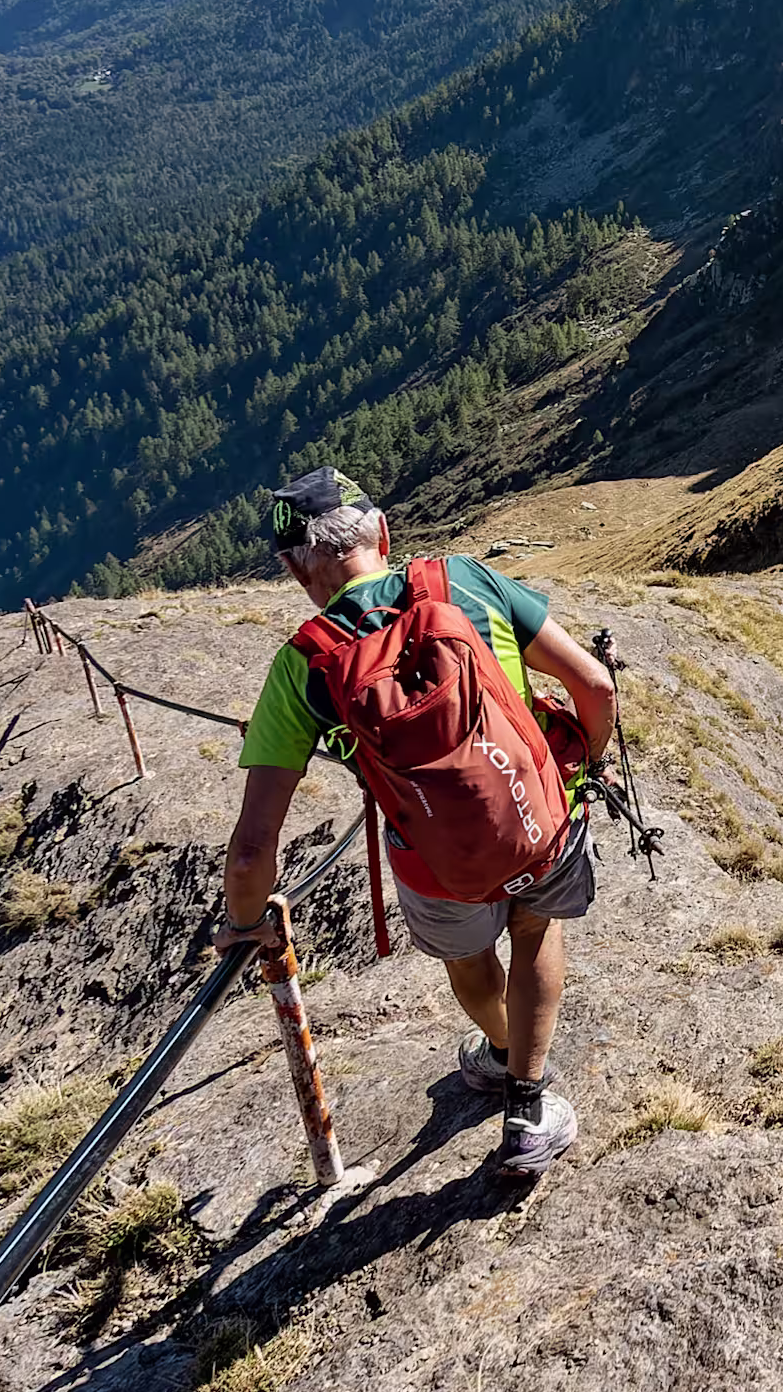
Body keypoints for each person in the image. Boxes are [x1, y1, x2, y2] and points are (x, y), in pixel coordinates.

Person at [218, 469, 613, 1173]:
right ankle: (528, 1103)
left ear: (291, 566)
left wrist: (248, 927)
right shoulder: (464, 581)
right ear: (383, 535)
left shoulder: (301, 667)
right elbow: (595, 684)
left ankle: (499, 1053)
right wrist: (585, 768)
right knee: (534, 927)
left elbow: (252, 849)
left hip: (430, 856)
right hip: (538, 818)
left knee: (468, 958)